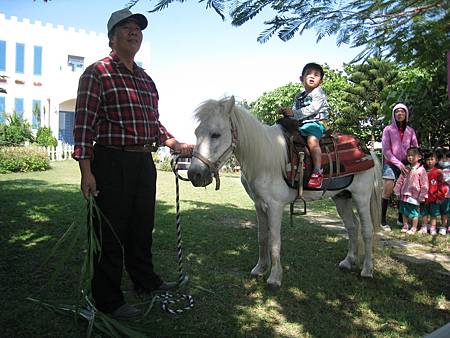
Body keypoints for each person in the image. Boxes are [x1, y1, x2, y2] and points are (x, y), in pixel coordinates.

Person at [72, 8, 193, 320]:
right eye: (125, 27)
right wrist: (87, 172)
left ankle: (145, 280)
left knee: (142, 226)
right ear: (112, 37)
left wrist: (174, 143)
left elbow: (153, 124)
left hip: (143, 163)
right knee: (109, 231)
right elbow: (83, 126)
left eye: (138, 28)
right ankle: (108, 300)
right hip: (111, 160)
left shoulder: (146, 80)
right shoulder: (96, 73)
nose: (134, 32)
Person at [279, 62, 329, 188]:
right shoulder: (299, 96)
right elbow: (294, 111)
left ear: (321, 81)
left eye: (316, 75)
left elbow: (313, 108)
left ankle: (318, 171)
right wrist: (288, 113)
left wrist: (294, 114)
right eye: (308, 74)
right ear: (301, 78)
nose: (312, 77)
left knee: (312, 141)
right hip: (301, 124)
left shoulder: (318, 93)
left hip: (315, 123)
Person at [380, 103, 418, 231]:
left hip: (406, 164)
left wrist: (412, 162)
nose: (399, 114)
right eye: (397, 112)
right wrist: (399, 164)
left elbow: (415, 148)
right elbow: (386, 150)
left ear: (406, 114)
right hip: (391, 163)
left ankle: (401, 218)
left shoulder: (410, 131)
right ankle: (382, 220)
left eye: (402, 111)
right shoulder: (388, 129)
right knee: (388, 191)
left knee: (404, 191)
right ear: (394, 114)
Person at [393, 147, 428, 234]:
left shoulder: (421, 170)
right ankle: (405, 225)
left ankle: (414, 227)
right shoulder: (406, 169)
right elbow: (400, 181)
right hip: (404, 194)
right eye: (408, 155)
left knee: (414, 213)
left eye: (412, 155)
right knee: (404, 211)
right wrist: (397, 191)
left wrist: (422, 196)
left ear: (419, 157)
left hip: (414, 196)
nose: (410, 157)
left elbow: (424, 184)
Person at [419, 150, 448, 235]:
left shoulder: (438, 172)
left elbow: (442, 185)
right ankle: (424, 226)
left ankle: (433, 228)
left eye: (432, 159)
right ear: (425, 160)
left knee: (433, 214)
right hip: (424, 197)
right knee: (424, 213)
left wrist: (440, 197)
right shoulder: (422, 170)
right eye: (428, 159)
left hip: (434, 198)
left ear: (436, 161)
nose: (430, 161)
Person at [437, 148, 450, 235]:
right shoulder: (437, 170)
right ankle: (444, 226)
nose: (444, 160)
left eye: (447, 157)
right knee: (444, 211)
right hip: (443, 194)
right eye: (442, 158)